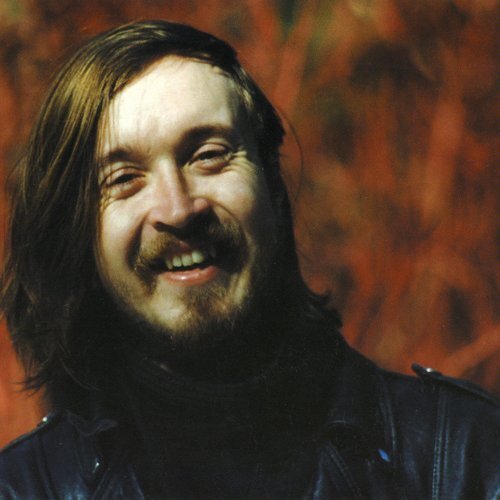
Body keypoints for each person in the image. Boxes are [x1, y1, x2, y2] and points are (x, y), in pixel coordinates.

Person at [0, 20, 497, 499]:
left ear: (273, 185)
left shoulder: (463, 457)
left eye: (208, 155)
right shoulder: (25, 490)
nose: (178, 209)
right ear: (77, 233)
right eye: (124, 179)